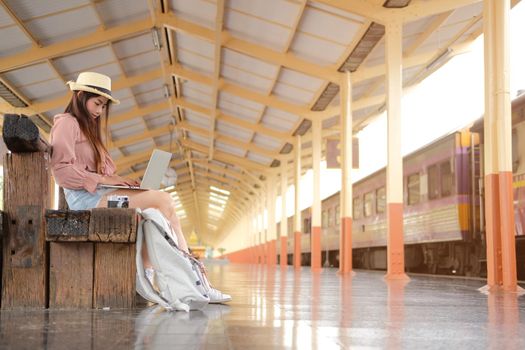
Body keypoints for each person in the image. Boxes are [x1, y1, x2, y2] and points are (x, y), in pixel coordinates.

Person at [50, 71, 231, 304]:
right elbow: (61, 171)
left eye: (103, 106)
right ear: (80, 95)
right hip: (87, 202)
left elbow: (97, 174)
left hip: (103, 195)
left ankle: (156, 277)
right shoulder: (67, 123)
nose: (99, 111)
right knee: (163, 200)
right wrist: (108, 181)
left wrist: (120, 180)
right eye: (97, 103)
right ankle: (196, 280)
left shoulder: (89, 130)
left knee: (156, 211)